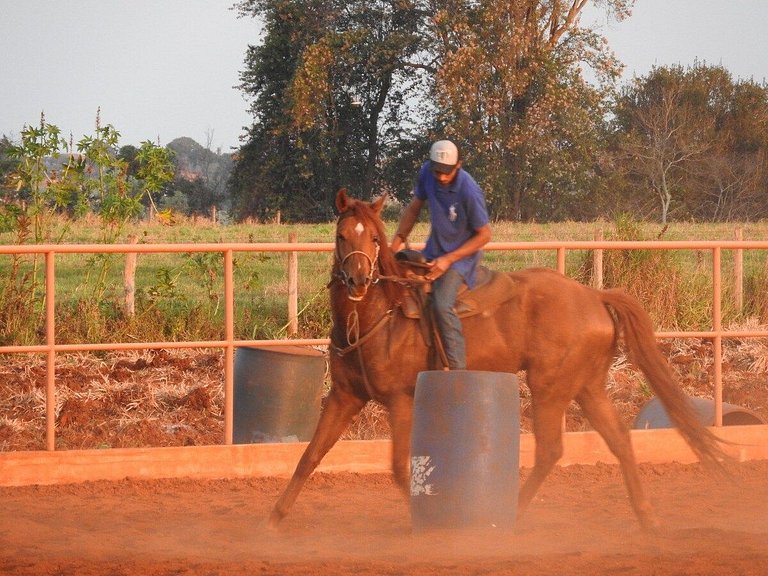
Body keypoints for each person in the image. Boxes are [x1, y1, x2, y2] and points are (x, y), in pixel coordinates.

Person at [391, 139, 492, 370]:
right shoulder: (427, 173)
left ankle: (458, 369)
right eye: (438, 171)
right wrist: (395, 243)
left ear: (458, 165)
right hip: (433, 251)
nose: (442, 177)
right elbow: (415, 207)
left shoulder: (469, 190)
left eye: (447, 172)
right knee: (397, 282)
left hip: (461, 259)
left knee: (441, 304)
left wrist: (448, 259)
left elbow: (485, 235)